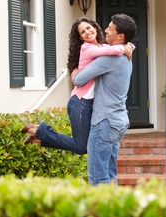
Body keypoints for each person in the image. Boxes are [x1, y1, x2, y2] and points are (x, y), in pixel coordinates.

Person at [21, 17, 134, 155]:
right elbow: (113, 51)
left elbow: (111, 49)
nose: (87, 32)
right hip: (81, 103)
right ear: (81, 38)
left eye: (88, 27)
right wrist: (124, 47)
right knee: (82, 147)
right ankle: (41, 131)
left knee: (84, 146)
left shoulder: (102, 47)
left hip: (88, 103)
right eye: (82, 32)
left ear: (95, 27)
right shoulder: (88, 48)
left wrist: (129, 46)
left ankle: (38, 136)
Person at [70, 14, 138, 186]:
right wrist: (128, 45)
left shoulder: (109, 58)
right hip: (119, 121)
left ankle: (101, 212)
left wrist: (74, 69)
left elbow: (78, 79)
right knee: (110, 174)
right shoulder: (125, 54)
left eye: (110, 28)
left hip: (104, 122)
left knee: (97, 178)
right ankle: (114, 209)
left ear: (120, 36)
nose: (105, 30)